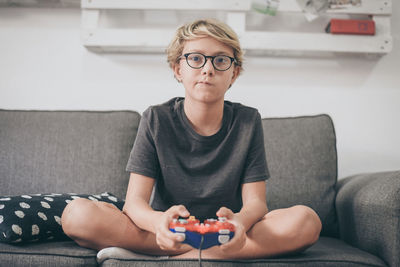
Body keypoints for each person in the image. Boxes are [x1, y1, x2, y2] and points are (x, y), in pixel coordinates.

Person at [61, 18, 322, 260]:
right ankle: (202, 251)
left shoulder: (247, 120)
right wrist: (158, 224)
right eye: (196, 59)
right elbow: (135, 203)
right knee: (77, 215)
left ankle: (176, 254)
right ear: (177, 69)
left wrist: (239, 223)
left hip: (227, 232)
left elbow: (256, 202)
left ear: (235, 73)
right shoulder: (156, 119)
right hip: (168, 230)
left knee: (307, 221)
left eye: (220, 61)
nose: (207, 69)